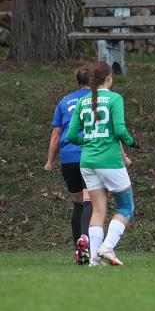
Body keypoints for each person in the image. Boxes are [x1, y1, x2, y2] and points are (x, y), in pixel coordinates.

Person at [66, 61, 139, 267]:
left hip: (87, 161)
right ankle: (106, 247)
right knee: (126, 206)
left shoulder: (83, 101)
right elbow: (119, 131)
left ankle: (94, 261)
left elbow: (71, 134)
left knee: (98, 210)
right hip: (110, 161)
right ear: (109, 78)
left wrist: (88, 142)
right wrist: (132, 143)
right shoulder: (115, 98)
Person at [44, 65, 93, 264]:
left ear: (77, 81)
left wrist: (49, 161)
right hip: (91, 155)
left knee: (77, 203)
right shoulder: (99, 99)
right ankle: (89, 245)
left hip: (69, 158)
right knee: (93, 203)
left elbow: (56, 134)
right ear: (92, 80)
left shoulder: (64, 101)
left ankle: (79, 252)